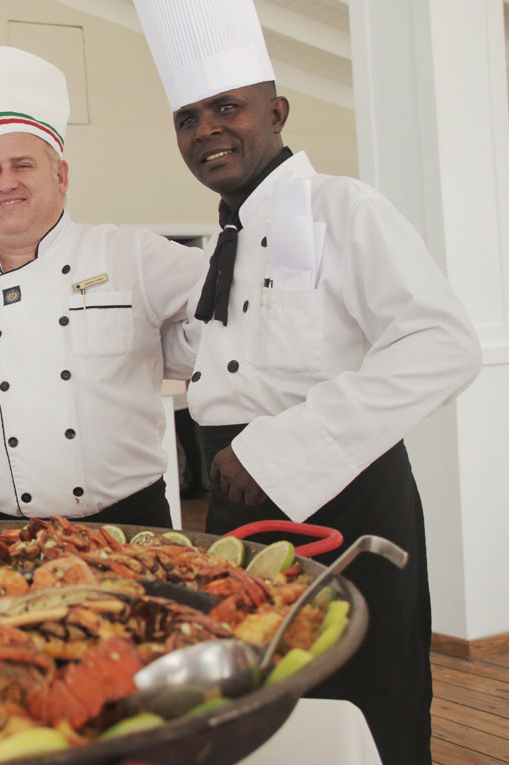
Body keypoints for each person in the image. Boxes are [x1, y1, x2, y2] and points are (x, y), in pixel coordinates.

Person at [132, 2, 482, 762]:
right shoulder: (225, 237)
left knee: (369, 701)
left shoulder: (346, 208)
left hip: (346, 501)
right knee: (260, 709)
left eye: (227, 108)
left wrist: (277, 451)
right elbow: (230, 359)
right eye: (188, 117)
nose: (206, 131)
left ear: (277, 111)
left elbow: (443, 343)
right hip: (241, 505)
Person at [0, 47, 207, 526]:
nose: (5, 182)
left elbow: (226, 305)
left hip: (128, 523)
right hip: (3, 530)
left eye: (22, 165)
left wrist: (167, 352)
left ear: (61, 175)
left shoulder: (127, 253)